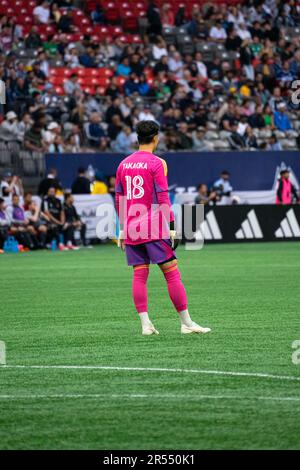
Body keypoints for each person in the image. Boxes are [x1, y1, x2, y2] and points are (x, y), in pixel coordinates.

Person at [115, 120, 211, 336]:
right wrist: (171, 226)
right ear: (156, 138)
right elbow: (162, 196)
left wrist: (121, 228)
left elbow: (119, 196)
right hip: (151, 226)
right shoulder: (157, 163)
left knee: (139, 274)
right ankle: (186, 323)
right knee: (171, 273)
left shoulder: (123, 164)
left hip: (130, 227)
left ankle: (145, 324)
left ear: (137, 138)